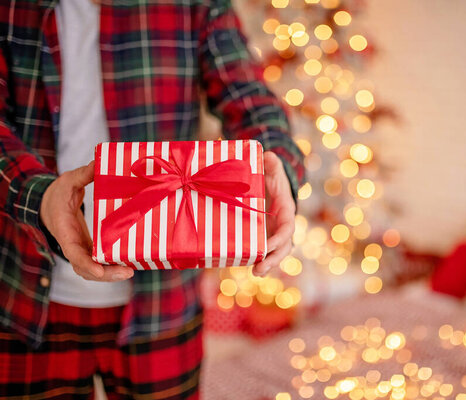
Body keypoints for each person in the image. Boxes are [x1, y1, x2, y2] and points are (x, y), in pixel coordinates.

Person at [0, 0, 305, 398]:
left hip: (163, 302)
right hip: (24, 291)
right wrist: (39, 197)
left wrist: (275, 164)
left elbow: (251, 102)